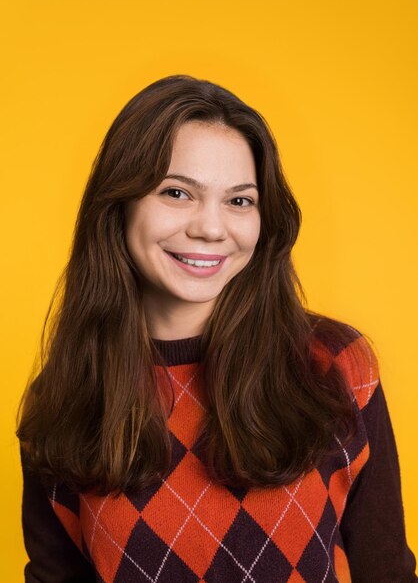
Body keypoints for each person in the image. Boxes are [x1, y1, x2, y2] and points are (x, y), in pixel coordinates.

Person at [17, 75, 417, 582]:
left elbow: (387, 571)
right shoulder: (65, 399)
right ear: (119, 207)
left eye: (239, 201)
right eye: (177, 192)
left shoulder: (333, 364)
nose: (210, 227)